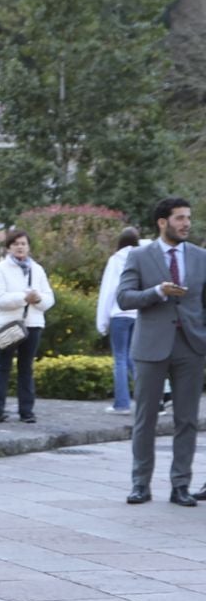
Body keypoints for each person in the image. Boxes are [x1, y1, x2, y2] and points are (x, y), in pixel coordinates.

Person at [118, 197, 206, 505]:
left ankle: (180, 485)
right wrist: (157, 292)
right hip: (151, 346)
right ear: (162, 222)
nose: (186, 223)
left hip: (191, 347)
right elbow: (124, 297)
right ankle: (140, 484)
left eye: (188, 218)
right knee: (145, 419)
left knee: (187, 419)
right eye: (180, 218)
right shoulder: (139, 256)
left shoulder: (200, 256)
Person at [0, 228, 55, 426]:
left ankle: (27, 411)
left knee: (26, 368)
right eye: (16, 244)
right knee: (3, 366)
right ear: (9, 247)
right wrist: (23, 298)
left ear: (29, 247)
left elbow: (49, 298)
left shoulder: (38, 269)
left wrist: (38, 299)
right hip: (8, 325)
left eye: (23, 244)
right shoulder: (0, 269)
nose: (20, 247)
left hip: (33, 324)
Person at [97, 227, 142, 415]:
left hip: (119, 314)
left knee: (120, 360)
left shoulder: (115, 260)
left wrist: (102, 322)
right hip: (138, 314)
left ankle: (122, 404)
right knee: (135, 360)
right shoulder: (142, 258)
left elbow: (107, 291)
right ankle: (149, 402)